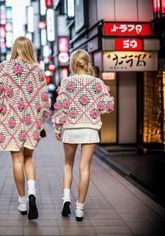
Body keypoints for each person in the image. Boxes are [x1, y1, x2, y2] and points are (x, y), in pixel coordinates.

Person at [0, 36, 50, 220]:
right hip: (30, 122)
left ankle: (22, 201)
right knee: (29, 157)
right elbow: (44, 100)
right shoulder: (37, 70)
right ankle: (32, 193)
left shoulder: (5, 67)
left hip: (11, 123)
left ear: (15, 49)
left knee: (17, 160)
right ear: (29, 49)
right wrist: (43, 118)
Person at [52, 49, 114, 221]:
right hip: (90, 130)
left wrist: (57, 128)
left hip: (71, 128)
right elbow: (107, 106)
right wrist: (94, 105)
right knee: (84, 168)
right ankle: (79, 208)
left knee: (67, 164)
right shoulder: (97, 83)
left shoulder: (66, 82)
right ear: (87, 64)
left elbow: (60, 107)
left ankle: (66, 199)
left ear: (73, 64)